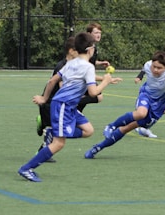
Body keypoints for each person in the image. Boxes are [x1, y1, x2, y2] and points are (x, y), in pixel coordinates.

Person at [18, 32, 122, 182]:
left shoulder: (71, 63)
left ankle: (54, 132)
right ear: (90, 50)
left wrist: (44, 98)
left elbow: (52, 81)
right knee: (59, 144)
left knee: (88, 130)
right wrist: (105, 81)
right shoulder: (88, 67)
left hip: (69, 106)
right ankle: (27, 168)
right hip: (63, 106)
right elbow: (93, 92)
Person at [84, 51, 165, 159]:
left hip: (157, 107)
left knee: (126, 128)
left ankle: (97, 148)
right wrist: (139, 77)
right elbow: (145, 70)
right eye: (154, 66)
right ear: (151, 63)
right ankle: (111, 126)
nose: (155, 70)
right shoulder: (148, 65)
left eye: (159, 68)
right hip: (146, 95)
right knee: (141, 113)